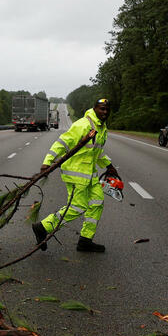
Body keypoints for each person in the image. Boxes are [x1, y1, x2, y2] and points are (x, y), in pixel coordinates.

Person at [32, 98, 121, 252]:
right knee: (77, 207)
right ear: (94, 108)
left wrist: (109, 166)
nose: (105, 112)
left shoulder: (101, 127)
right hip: (75, 174)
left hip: (90, 175)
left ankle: (85, 240)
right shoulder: (83, 125)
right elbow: (62, 142)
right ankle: (43, 227)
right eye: (101, 109)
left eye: (107, 109)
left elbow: (96, 151)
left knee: (97, 202)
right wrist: (47, 162)